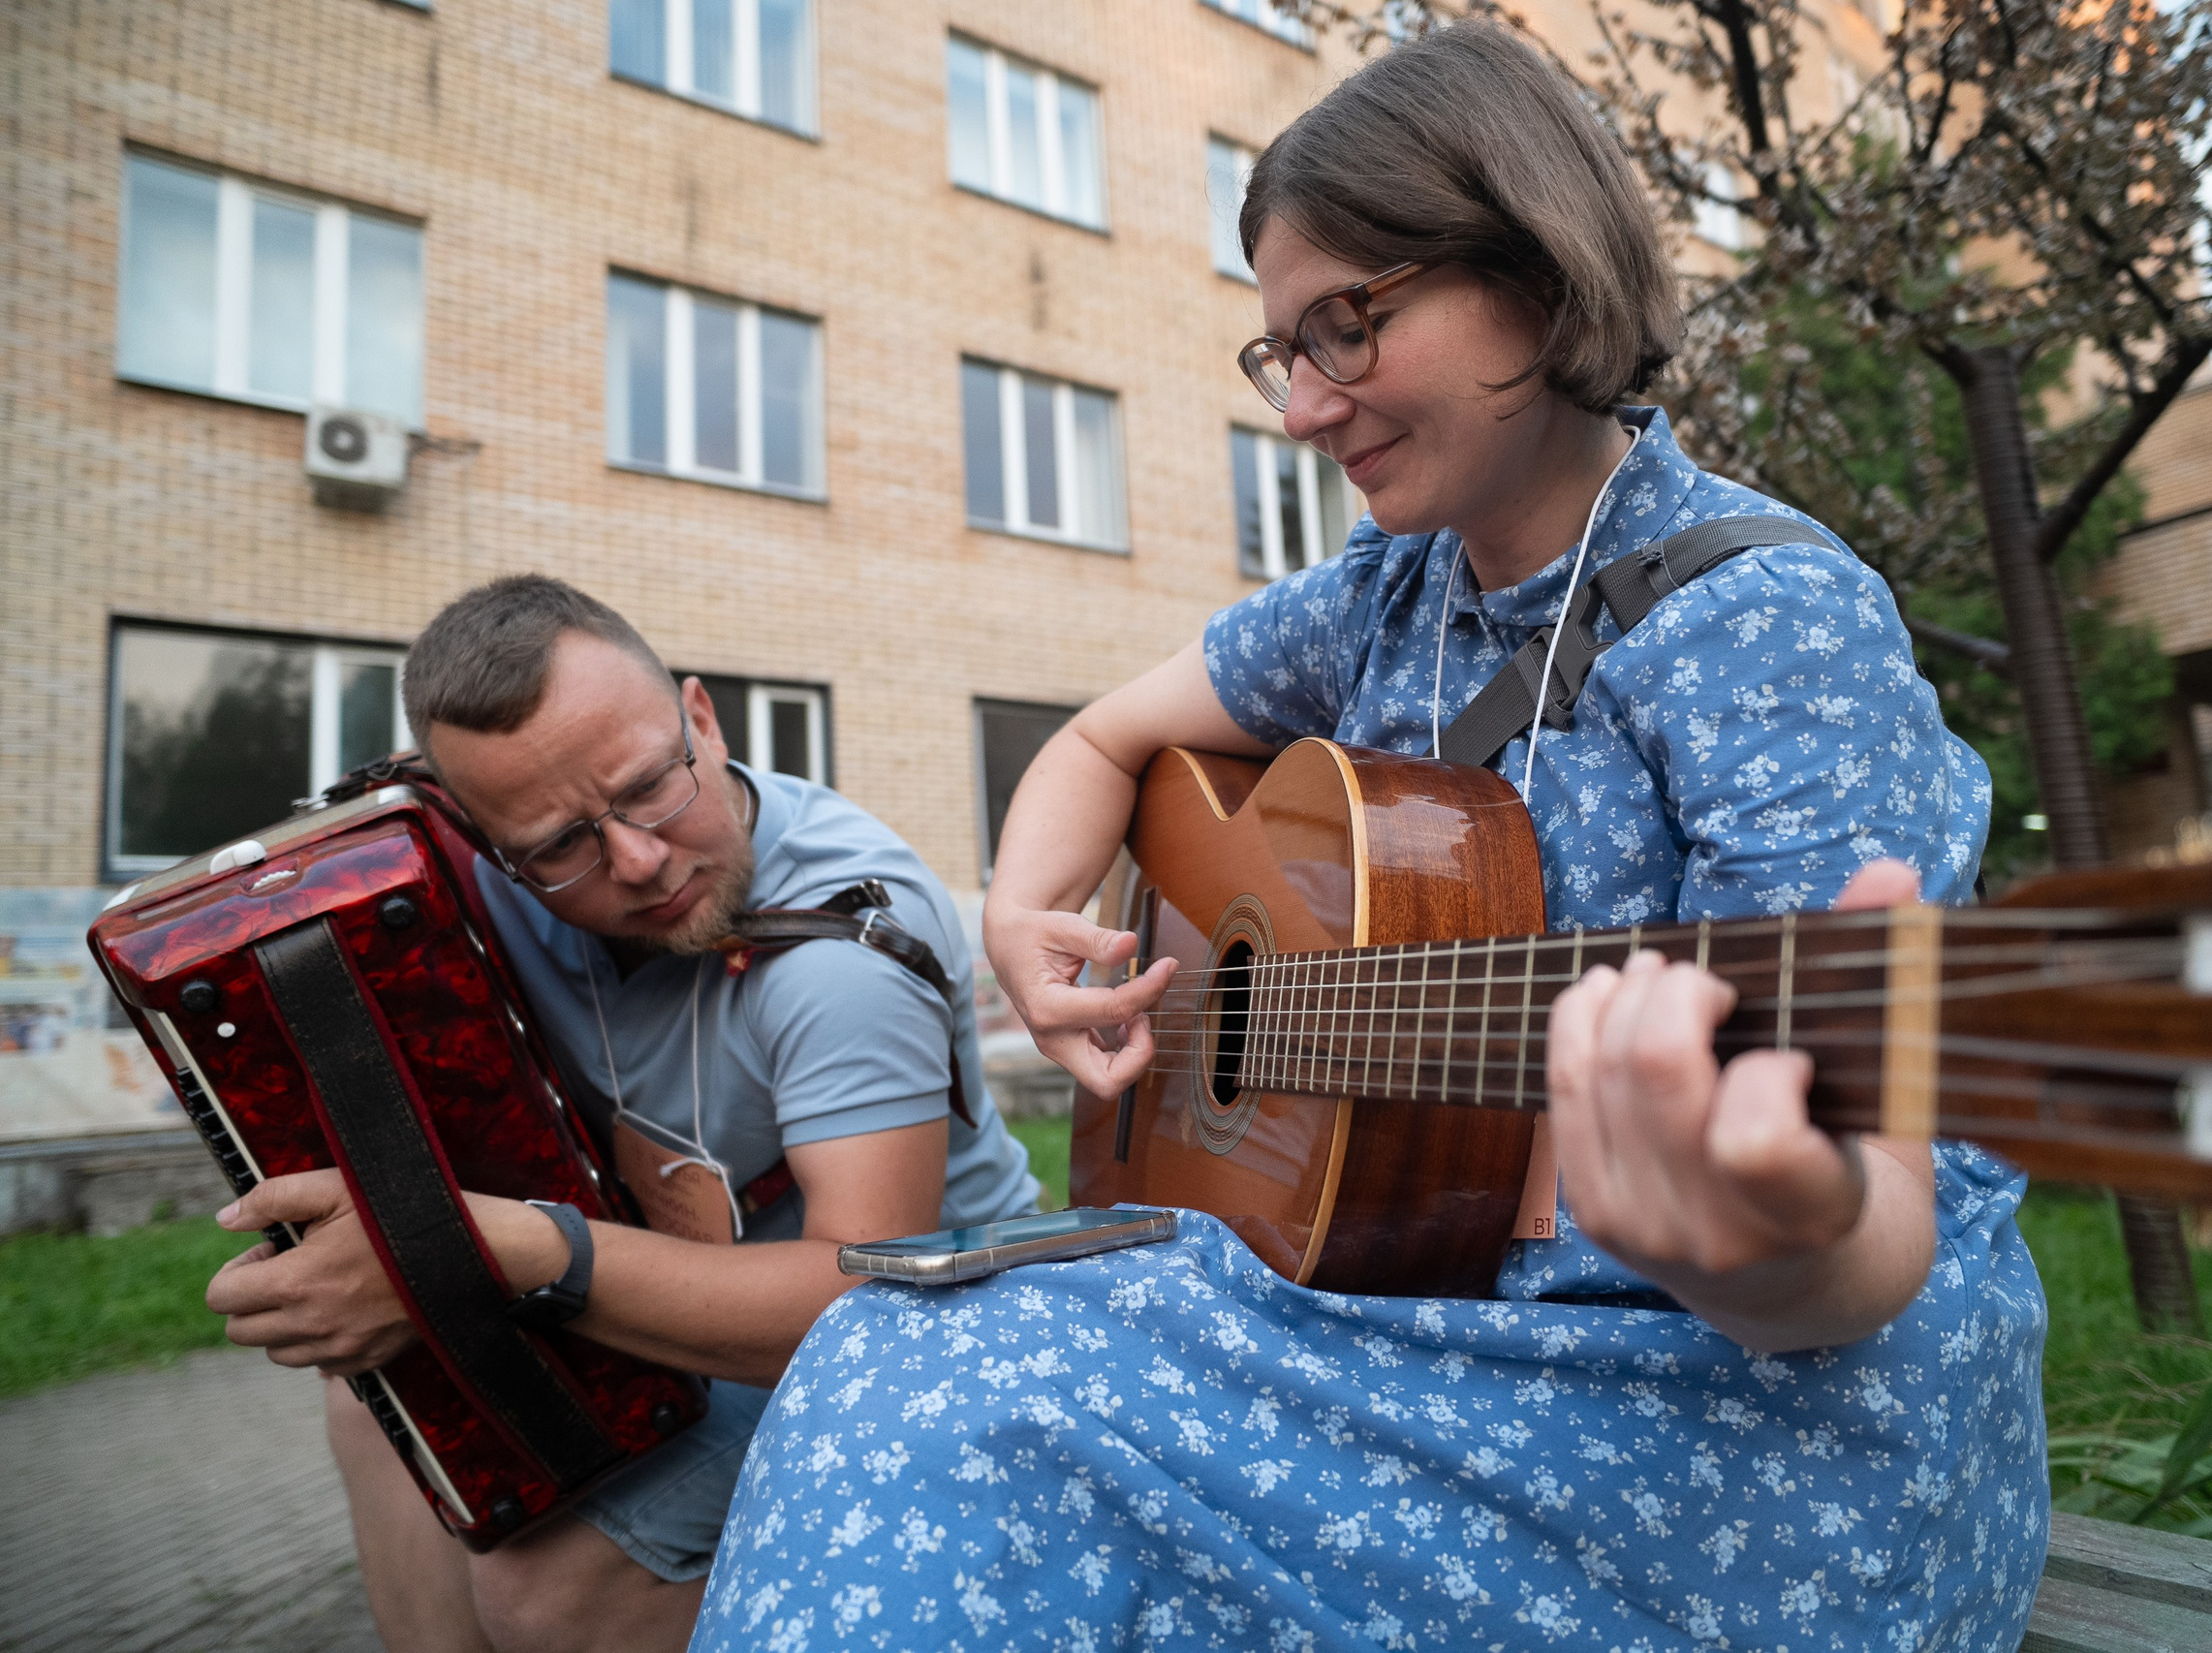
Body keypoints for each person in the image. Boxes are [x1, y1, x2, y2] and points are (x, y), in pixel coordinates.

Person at [694, 22, 2044, 1652]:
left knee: (937, 1390)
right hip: (1421, 1306)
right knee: (893, 1336)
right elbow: (1101, 738)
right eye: (1281, 352)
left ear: (1537, 270)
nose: (1305, 408)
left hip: (1744, 1432)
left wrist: (1769, 1231)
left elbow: (1872, 1237)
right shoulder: (1385, 593)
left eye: (1350, 326)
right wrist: (1028, 915)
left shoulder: (1766, 622)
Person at [203, 576, 1043, 1653]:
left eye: (651, 784)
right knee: (387, 1397)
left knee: (554, 1588)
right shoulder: (475, 882)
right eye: (562, 844)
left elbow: (857, 1296)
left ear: (703, 718)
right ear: (484, 843)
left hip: (946, 1330)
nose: (640, 861)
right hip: (688, 1290)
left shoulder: (844, 953)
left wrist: (496, 1248)